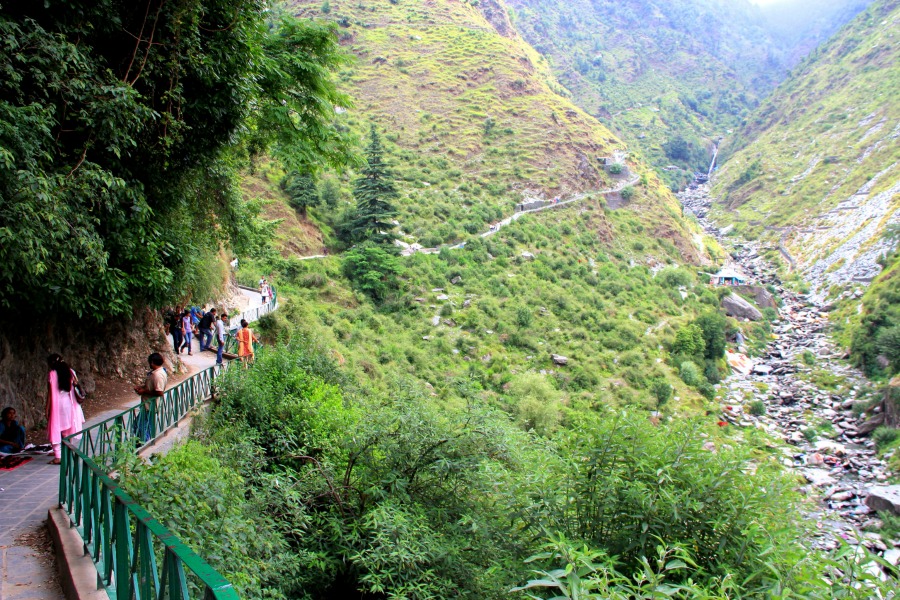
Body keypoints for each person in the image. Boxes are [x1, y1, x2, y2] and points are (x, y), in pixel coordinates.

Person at [46, 354, 85, 464]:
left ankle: (58, 456)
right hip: (69, 403)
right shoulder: (71, 372)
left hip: (57, 405)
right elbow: (76, 385)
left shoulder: (52, 374)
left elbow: (50, 394)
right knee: (67, 429)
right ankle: (67, 452)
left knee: (55, 428)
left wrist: (47, 408)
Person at [133, 353, 168, 442]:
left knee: (141, 426)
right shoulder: (158, 372)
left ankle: (144, 444)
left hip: (150, 406)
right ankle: (143, 443)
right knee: (141, 425)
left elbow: (159, 392)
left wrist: (144, 391)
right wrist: (142, 387)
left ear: (152, 362)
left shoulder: (157, 375)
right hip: (148, 405)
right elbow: (152, 386)